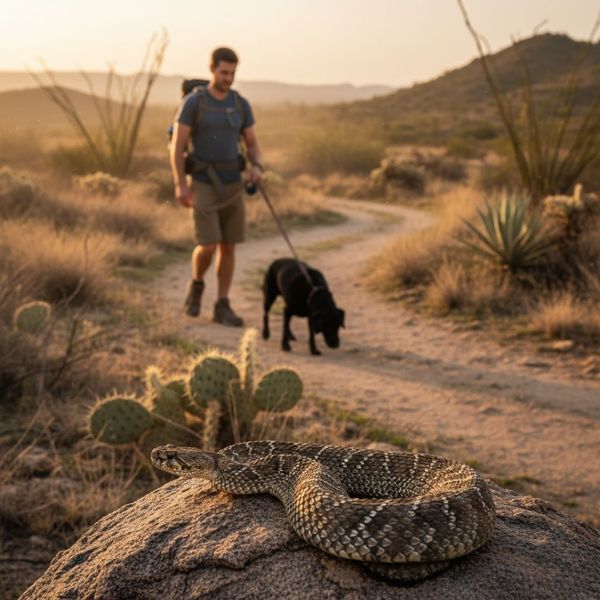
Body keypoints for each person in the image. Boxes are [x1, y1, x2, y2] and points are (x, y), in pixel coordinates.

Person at [170, 46, 263, 326]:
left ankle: (222, 304)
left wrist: (256, 166)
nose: (228, 78)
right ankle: (197, 284)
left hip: (233, 183)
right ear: (212, 69)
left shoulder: (239, 104)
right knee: (208, 244)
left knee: (229, 246)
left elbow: (252, 142)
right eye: (224, 72)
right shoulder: (195, 103)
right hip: (202, 183)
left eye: (232, 73)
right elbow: (177, 146)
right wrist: (180, 184)